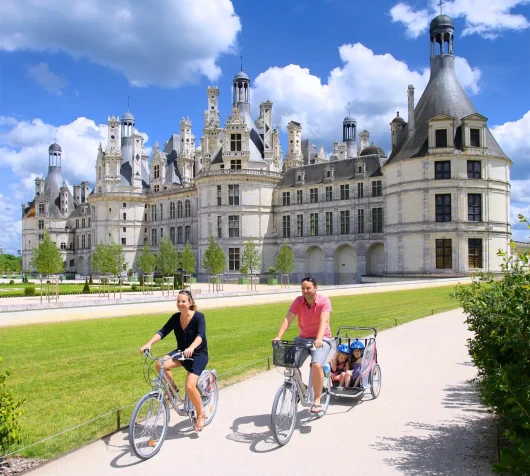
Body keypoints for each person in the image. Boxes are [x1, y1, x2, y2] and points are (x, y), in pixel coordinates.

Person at [140, 290, 208, 432]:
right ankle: (173, 389)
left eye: (183, 301)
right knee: (160, 364)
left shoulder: (199, 317)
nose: (180, 304)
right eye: (178, 301)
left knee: (190, 386)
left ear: (190, 303)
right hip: (182, 353)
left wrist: (192, 347)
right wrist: (149, 343)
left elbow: (200, 336)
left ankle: (200, 414)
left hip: (198, 354)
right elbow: (162, 331)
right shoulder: (175, 318)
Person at [273, 276, 332, 414]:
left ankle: (317, 400)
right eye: (303, 289)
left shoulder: (324, 301)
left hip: (322, 339)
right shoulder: (299, 301)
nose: (305, 291)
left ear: (316, 288)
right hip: (303, 338)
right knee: (289, 362)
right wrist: (278, 336)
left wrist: (319, 339)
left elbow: (324, 321)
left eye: (308, 288)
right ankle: (302, 388)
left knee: (316, 365)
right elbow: (288, 318)